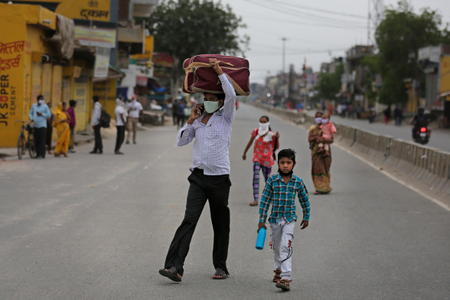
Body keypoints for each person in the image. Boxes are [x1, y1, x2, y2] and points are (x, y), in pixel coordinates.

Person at [159, 58, 236, 282]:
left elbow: (231, 95)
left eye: (213, 99)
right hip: (199, 179)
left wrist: (219, 71)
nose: (209, 101)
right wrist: (190, 120)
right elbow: (182, 142)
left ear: (220, 102)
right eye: (207, 98)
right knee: (188, 220)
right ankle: (174, 267)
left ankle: (221, 267)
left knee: (220, 224)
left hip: (220, 179)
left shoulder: (226, 118)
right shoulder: (198, 121)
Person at [257, 149, 310, 292]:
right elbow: (265, 201)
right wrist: (261, 220)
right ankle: (278, 270)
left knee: (285, 246)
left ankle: (286, 278)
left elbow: (304, 199)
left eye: (288, 162)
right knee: (276, 246)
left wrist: (306, 217)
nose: (285, 165)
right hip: (274, 220)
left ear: (294, 164)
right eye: (282, 162)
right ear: (277, 163)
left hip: (289, 219)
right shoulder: (272, 181)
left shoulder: (297, 182)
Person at [242, 115, 280, 206]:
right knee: (256, 177)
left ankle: (270, 198)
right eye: (261, 122)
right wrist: (244, 153)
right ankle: (255, 199)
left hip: (267, 160)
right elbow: (250, 142)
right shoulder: (256, 132)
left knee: (267, 180)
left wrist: (277, 138)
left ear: (268, 123)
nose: (263, 124)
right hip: (257, 158)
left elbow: (276, 147)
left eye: (264, 122)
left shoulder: (272, 134)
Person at [308, 112, 333, 194]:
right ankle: (318, 188)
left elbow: (331, 140)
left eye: (320, 117)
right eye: (317, 117)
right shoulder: (313, 129)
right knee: (317, 169)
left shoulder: (328, 128)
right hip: (316, 152)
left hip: (326, 152)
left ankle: (326, 187)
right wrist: (316, 138)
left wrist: (323, 140)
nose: (318, 119)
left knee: (325, 168)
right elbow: (309, 139)